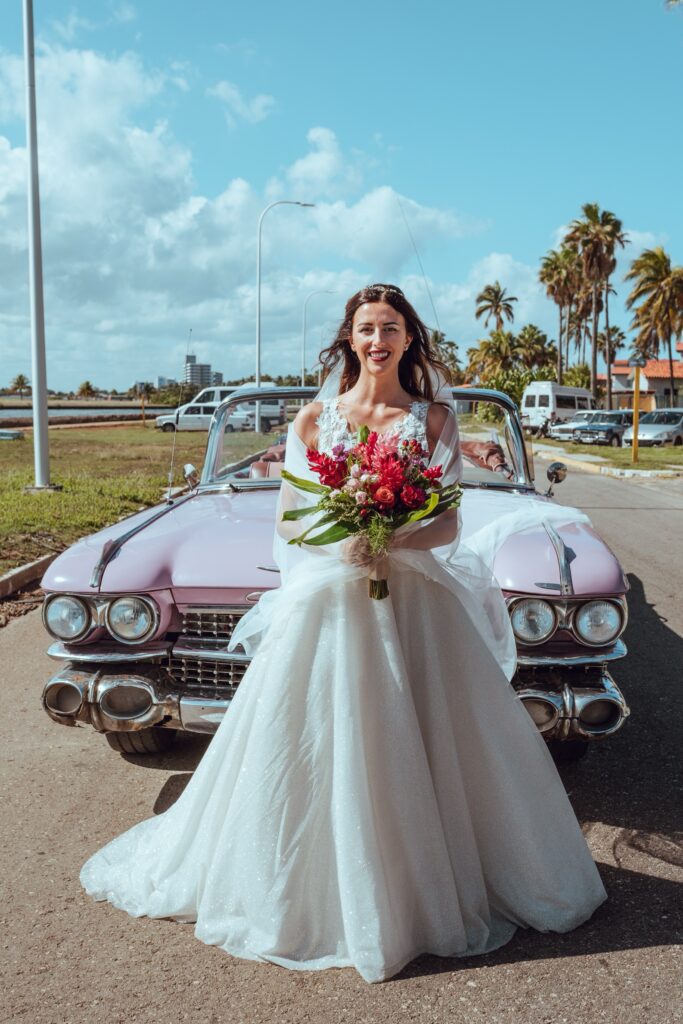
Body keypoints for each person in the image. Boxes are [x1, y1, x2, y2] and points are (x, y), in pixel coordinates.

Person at [80, 284, 607, 984]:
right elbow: (294, 521)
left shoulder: (434, 419)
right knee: (319, 738)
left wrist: (394, 534)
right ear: (349, 339)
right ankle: (315, 886)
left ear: (409, 338)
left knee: (426, 735)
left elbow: (449, 520)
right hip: (333, 598)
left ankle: (429, 883)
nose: (377, 339)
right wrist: (349, 542)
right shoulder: (313, 419)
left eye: (390, 327)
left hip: (414, 598)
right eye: (365, 328)